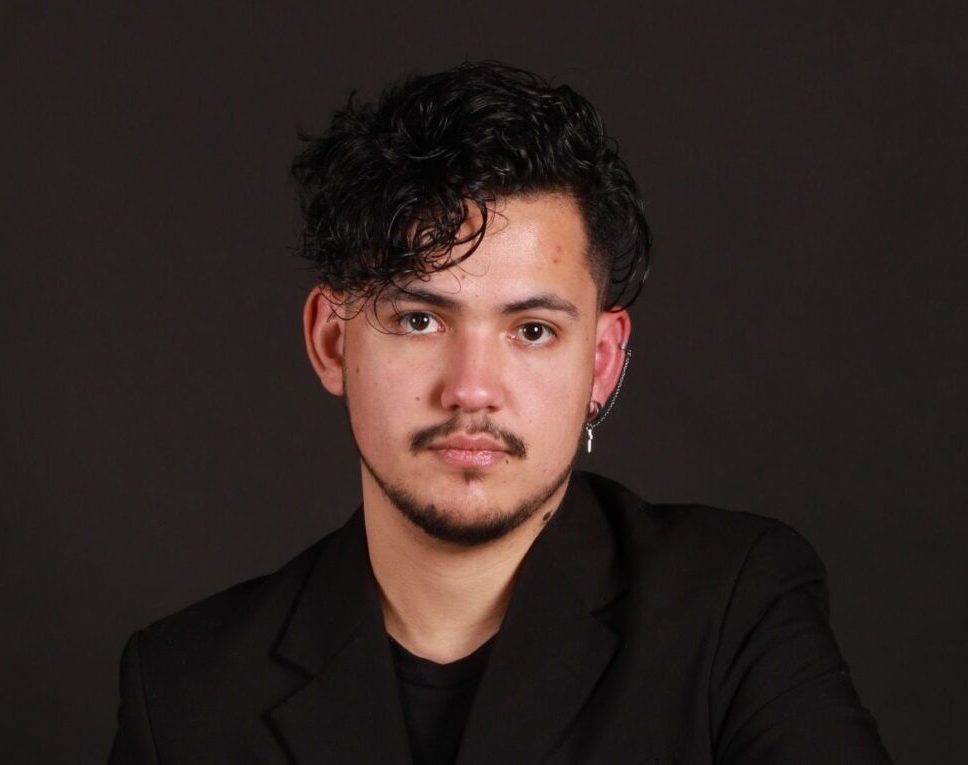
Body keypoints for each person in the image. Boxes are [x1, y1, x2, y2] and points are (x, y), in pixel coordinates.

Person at [109, 62, 892, 764]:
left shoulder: (732, 611)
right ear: (330, 340)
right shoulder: (183, 689)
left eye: (532, 331)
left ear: (601, 362)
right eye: (420, 319)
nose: (472, 388)